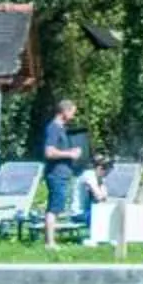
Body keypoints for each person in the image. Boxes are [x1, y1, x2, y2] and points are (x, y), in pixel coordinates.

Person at [40, 98, 90, 245]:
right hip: (56, 173)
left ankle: (49, 240)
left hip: (63, 173)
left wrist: (71, 151)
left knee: (58, 206)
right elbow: (49, 152)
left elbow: (59, 149)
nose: (73, 116)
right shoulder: (54, 128)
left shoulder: (61, 129)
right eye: (72, 113)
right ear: (65, 111)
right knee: (54, 208)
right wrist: (70, 154)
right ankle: (50, 243)